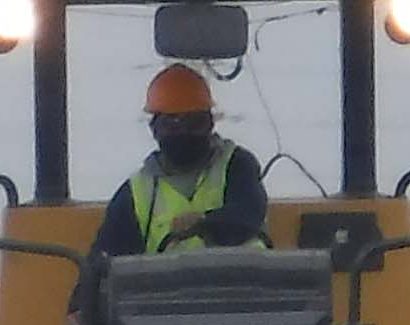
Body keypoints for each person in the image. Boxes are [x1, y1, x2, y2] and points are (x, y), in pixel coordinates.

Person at [92, 60, 274, 256]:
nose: (183, 133)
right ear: (154, 129)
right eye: (171, 126)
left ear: (210, 124)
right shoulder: (136, 193)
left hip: (240, 283)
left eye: (194, 124)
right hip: (167, 286)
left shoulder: (236, 165)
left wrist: (205, 221)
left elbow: (249, 214)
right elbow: (104, 261)